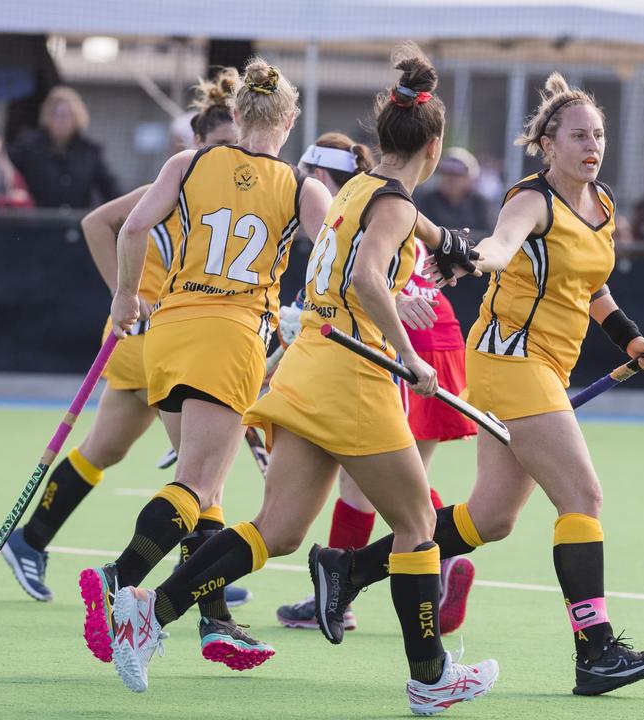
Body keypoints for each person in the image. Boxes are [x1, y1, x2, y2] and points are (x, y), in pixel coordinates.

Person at [104, 46, 500, 713]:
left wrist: (445, 244)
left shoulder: (355, 187)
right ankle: (431, 678)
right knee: (416, 529)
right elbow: (366, 277)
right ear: (434, 147)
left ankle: (149, 613)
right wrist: (411, 355)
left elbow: (397, 218)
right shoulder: (388, 204)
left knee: (278, 530)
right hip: (355, 378)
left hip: (305, 369)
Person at [315, 71, 644, 698]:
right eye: (579, 136)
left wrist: (630, 338)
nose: (592, 146)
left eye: (599, 135)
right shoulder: (530, 200)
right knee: (583, 498)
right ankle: (595, 650)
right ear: (548, 143)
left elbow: (592, 287)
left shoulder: (603, 204)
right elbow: (502, 248)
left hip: (548, 368)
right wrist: (469, 256)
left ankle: (347, 570)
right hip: (511, 361)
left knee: (492, 517)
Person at [78, 57, 331, 679]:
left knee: (207, 485)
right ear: (291, 119)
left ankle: (215, 620)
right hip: (234, 335)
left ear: (237, 114)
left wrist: (124, 296)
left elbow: (133, 226)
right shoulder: (303, 187)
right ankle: (119, 580)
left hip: (169, 330)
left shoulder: (185, 164)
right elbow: (335, 266)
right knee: (195, 485)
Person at [3, 70, 252, 609]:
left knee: (104, 449)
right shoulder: (178, 182)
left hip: (159, 340)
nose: (232, 155)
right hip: (155, 339)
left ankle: (30, 539)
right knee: (201, 476)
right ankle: (207, 587)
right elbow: (98, 223)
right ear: (198, 144)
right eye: (222, 145)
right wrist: (125, 292)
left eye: (238, 145)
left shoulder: (231, 192)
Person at [272, 133, 478, 636]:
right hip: (440, 337)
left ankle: (418, 565)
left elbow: (359, 284)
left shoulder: (342, 209)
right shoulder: (380, 194)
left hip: (414, 341)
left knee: (373, 480)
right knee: (380, 478)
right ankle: (347, 586)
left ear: (321, 178)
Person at [8, 86, 120, 208]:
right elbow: (7, 173)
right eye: (57, 114)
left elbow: (110, 189)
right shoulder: (27, 147)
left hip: (76, 222)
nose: (62, 120)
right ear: (47, 116)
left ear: (77, 118)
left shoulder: (90, 151)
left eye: (68, 115)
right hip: (37, 222)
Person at [415, 146, 495, 236]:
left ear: (469, 178)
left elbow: (488, 234)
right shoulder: (426, 201)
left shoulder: (480, 204)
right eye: (446, 173)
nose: (450, 179)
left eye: (457, 174)